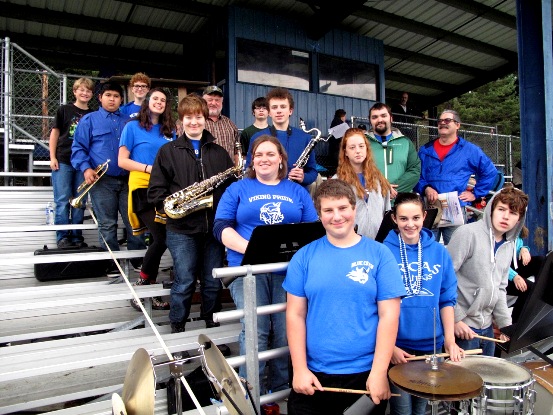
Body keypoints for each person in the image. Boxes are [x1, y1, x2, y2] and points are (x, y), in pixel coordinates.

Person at [283, 179, 404, 415]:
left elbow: (389, 316)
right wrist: (299, 369)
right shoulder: (303, 257)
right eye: (328, 210)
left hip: (364, 374)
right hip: (314, 375)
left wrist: (379, 373)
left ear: (354, 208)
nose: (337, 217)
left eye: (342, 208)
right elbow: (295, 315)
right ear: (319, 214)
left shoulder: (380, 254)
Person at [214, 135, 318, 394]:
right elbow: (220, 227)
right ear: (251, 160)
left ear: (281, 159)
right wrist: (254, 249)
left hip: (288, 272)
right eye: (259, 154)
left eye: (271, 154)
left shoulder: (297, 191)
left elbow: (313, 231)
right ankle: (250, 392)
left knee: (285, 332)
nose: (264, 159)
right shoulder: (237, 189)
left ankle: (281, 388)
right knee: (256, 331)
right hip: (248, 269)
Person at [148, 95, 234, 352]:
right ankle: (177, 327)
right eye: (189, 117)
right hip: (181, 229)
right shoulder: (167, 152)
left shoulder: (219, 153)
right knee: (184, 281)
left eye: (198, 116)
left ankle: (211, 324)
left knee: (211, 281)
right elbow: (155, 193)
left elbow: (231, 191)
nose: (194, 121)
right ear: (181, 120)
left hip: (213, 229)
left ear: (205, 118)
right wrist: (180, 203)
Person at [383, 192, 462, 415]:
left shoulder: (439, 252)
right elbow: (374, 306)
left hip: (432, 347)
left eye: (416, 218)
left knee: (421, 410)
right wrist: (389, 348)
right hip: (398, 348)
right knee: (402, 410)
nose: (410, 224)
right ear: (394, 219)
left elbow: (446, 299)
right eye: (404, 218)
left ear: (424, 216)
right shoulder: (382, 252)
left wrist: (449, 340)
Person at [71, 82, 146, 275]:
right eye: (108, 95)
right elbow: (78, 148)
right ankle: (113, 264)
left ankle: (138, 262)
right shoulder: (89, 120)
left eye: (116, 96)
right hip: (101, 181)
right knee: (107, 223)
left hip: (129, 179)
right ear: (100, 97)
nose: (112, 99)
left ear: (122, 100)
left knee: (134, 222)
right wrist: (86, 169)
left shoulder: (130, 122)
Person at [447, 187, 529, 356]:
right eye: (501, 209)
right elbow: (443, 279)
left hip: (487, 328)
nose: (506, 216)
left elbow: (500, 288)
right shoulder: (467, 233)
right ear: (491, 209)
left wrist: (506, 326)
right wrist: (455, 319)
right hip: (462, 327)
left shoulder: (509, 245)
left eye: (513, 213)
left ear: (519, 219)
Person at [118, 87, 177, 311]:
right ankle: (141, 283)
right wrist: (149, 168)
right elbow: (122, 161)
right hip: (142, 187)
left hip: (164, 189)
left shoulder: (169, 130)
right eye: (156, 98)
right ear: (147, 101)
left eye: (163, 100)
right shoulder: (132, 127)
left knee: (157, 239)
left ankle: (149, 288)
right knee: (161, 238)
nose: (159, 102)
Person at [415, 110, 498, 244]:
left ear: (458, 125)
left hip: (456, 208)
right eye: (440, 121)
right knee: (425, 249)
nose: (442, 123)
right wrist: (426, 188)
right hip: (429, 208)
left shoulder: (470, 150)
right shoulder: (425, 150)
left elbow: (490, 172)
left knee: (457, 251)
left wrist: (476, 194)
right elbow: (416, 175)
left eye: (447, 120)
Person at [49, 77, 94, 249]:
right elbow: (55, 134)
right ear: (75, 91)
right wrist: (52, 157)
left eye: (88, 90)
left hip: (83, 163)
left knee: (80, 200)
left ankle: (76, 236)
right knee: (62, 200)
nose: (84, 93)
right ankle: (62, 237)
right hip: (64, 159)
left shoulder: (93, 114)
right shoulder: (64, 110)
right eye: (81, 90)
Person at [246, 87, 317, 188]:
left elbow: (313, 172)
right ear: (269, 112)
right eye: (274, 107)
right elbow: (249, 170)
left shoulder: (305, 138)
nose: (279, 111)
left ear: (290, 111)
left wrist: (303, 177)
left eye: (283, 107)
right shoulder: (257, 137)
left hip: (295, 193)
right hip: (266, 191)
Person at [334, 128, 391, 239]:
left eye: (361, 146)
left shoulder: (379, 179)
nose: (358, 151)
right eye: (352, 147)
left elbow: (387, 212)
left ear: (366, 149)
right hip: (351, 244)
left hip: (378, 243)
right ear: (345, 152)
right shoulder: (338, 182)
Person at [366, 103, 421, 200]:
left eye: (383, 116)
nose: (379, 120)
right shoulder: (362, 143)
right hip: (372, 203)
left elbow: (415, 170)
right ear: (370, 120)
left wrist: (393, 190)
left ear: (391, 118)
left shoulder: (405, 142)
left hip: (401, 203)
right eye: (374, 117)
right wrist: (380, 190)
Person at [506, 225, 545, 323]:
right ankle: (515, 324)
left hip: (513, 266)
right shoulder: (499, 232)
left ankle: (543, 298)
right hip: (501, 274)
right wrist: (514, 276)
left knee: (541, 261)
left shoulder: (516, 228)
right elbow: (496, 263)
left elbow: (517, 246)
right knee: (529, 288)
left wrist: (524, 249)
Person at [202, 85, 239, 161]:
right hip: (203, 171)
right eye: (210, 100)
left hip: (227, 171)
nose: (214, 103)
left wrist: (237, 172)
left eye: (217, 100)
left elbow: (236, 152)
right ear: (203, 102)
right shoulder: (195, 124)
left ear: (222, 102)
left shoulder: (230, 124)